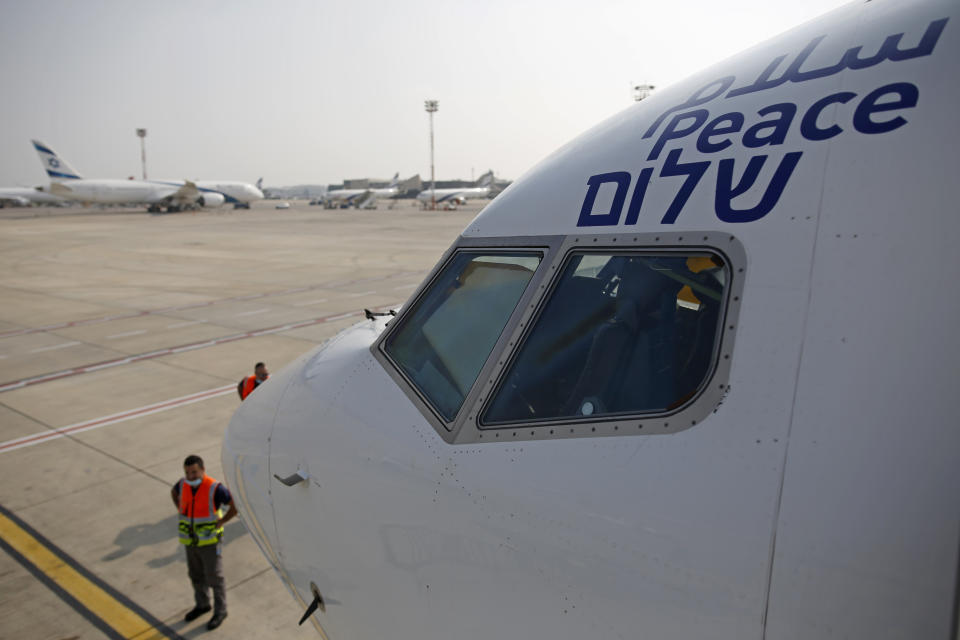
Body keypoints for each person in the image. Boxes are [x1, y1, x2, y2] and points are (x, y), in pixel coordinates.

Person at [171, 454, 238, 630]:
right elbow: (174, 492)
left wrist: (222, 521)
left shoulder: (214, 488)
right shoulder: (182, 484)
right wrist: (180, 508)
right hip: (190, 542)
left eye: (194, 472)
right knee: (195, 575)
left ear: (203, 470)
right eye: (187, 472)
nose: (191, 476)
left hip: (209, 542)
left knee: (215, 577)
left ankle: (221, 611)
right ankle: (202, 605)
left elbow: (234, 505)